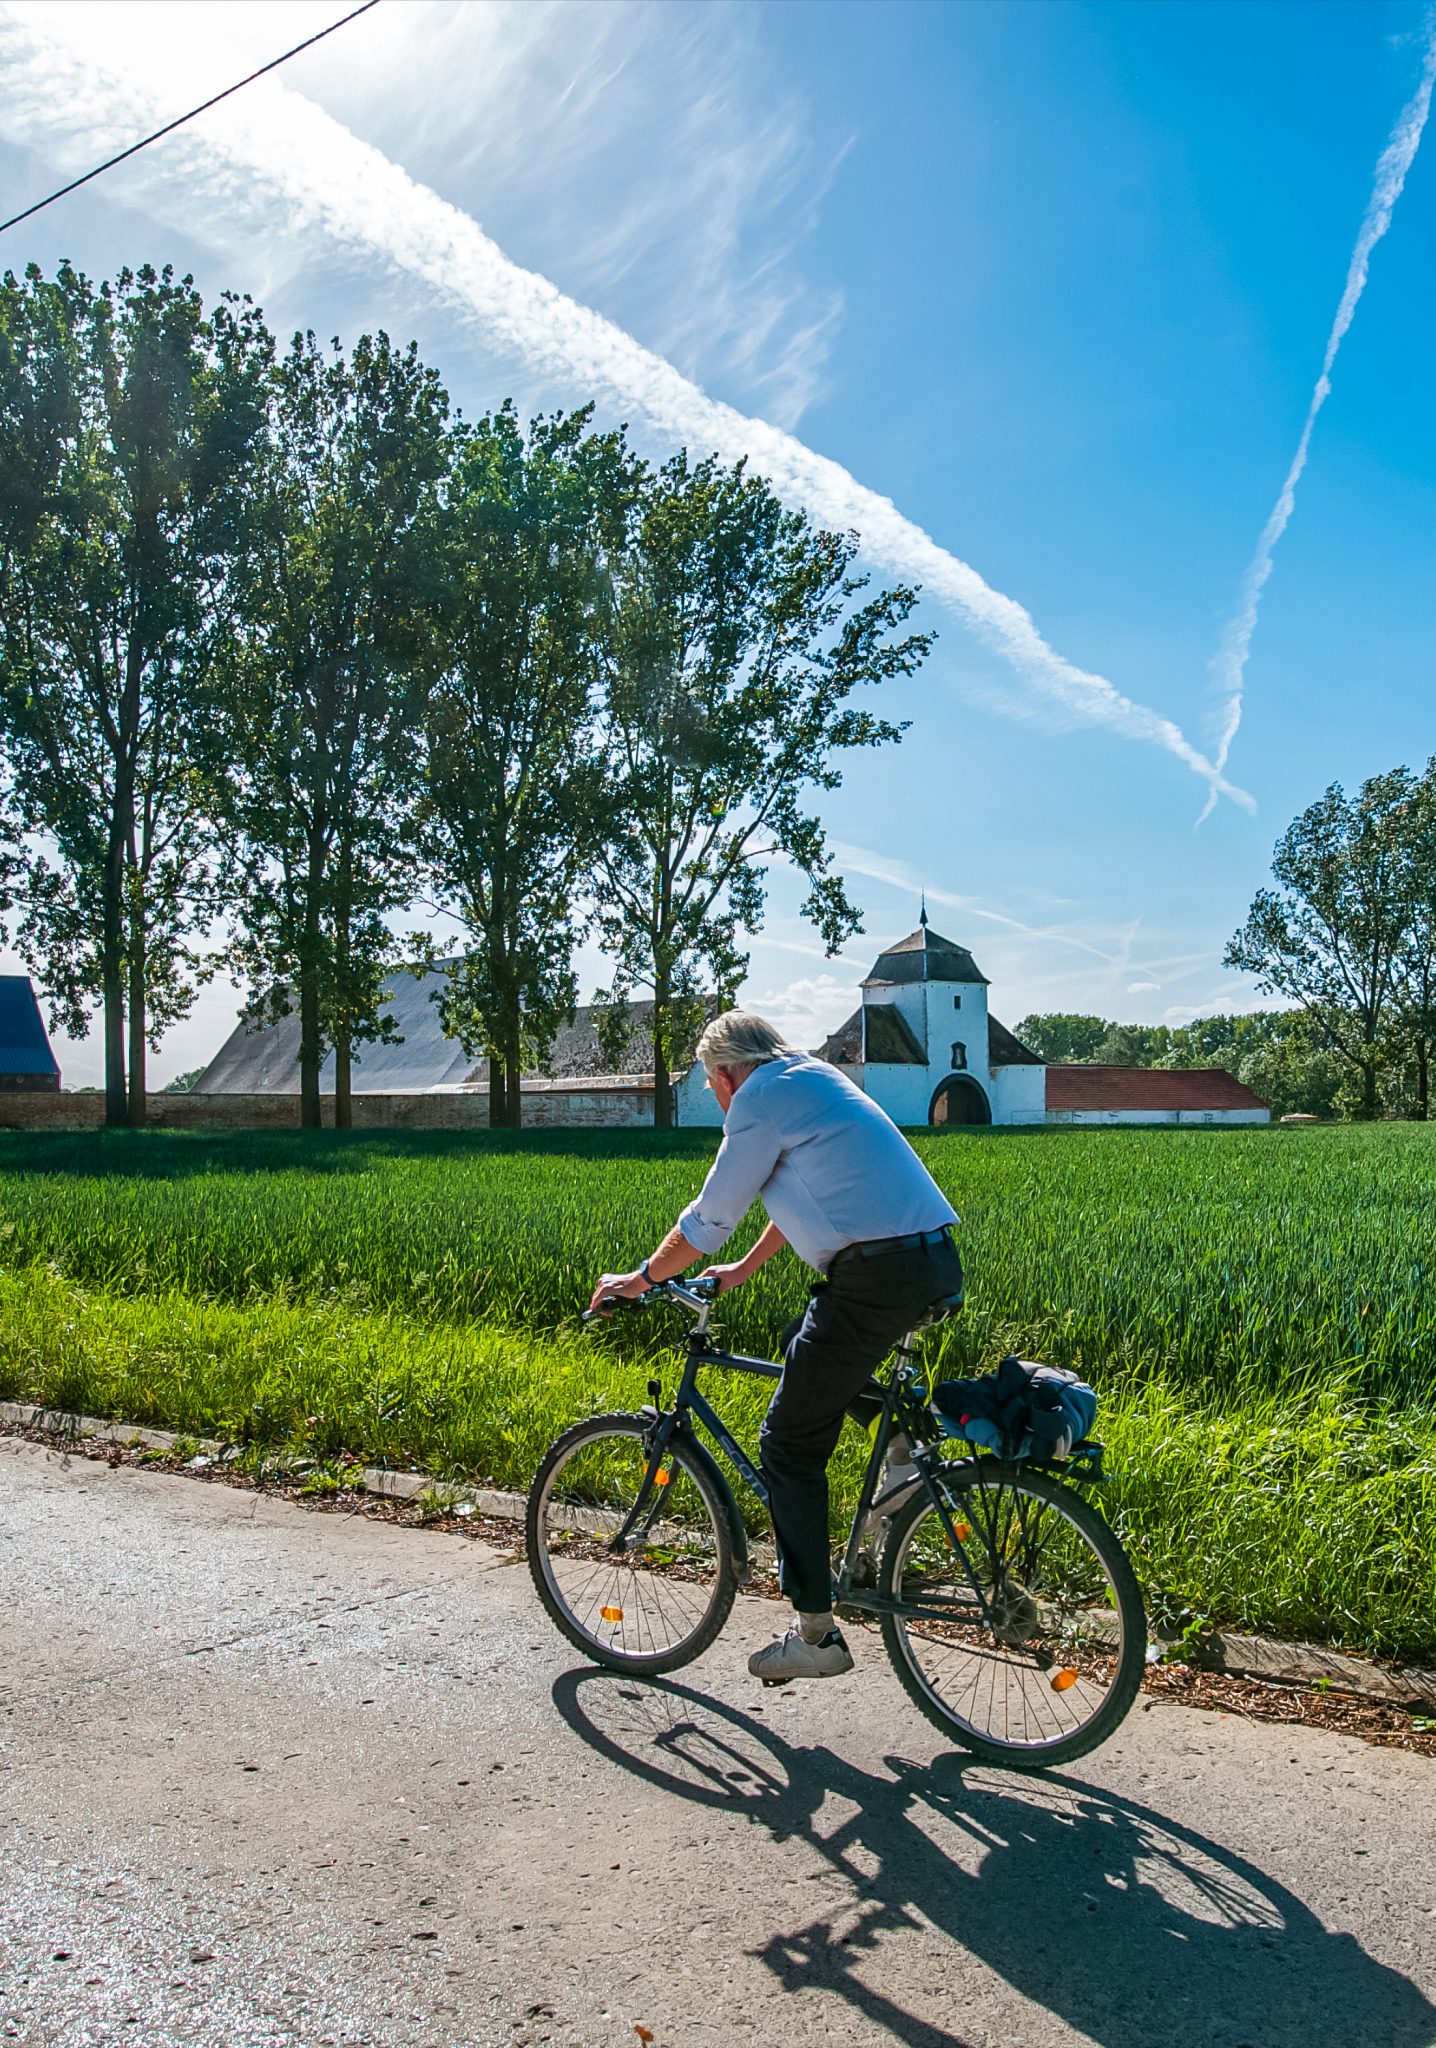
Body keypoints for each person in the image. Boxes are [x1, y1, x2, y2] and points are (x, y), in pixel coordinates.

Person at [587, 1009, 963, 1683]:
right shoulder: (811, 1078)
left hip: (873, 1275)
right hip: (928, 1260)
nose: (717, 1096)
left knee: (787, 1445)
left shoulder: (757, 1098)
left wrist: (639, 1280)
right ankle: (906, 1454)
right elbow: (805, 1193)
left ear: (726, 1073)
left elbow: (709, 1219)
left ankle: (815, 1632)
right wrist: (740, 1272)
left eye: (711, 1083)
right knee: (802, 1340)